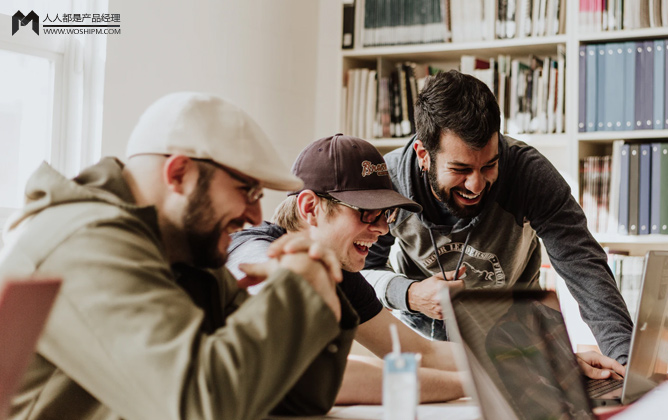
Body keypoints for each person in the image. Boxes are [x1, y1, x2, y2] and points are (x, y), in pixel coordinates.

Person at [0, 92, 357, 420]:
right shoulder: (86, 242)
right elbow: (198, 407)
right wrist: (295, 291)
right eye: (246, 190)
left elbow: (297, 399)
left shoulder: (186, 253)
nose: (254, 214)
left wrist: (318, 288)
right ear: (179, 173)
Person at [361, 70, 634, 370]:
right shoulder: (389, 182)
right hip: (424, 349)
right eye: (461, 169)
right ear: (423, 154)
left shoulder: (529, 174)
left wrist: (626, 364)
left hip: (515, 343)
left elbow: (584, 267)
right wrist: (409, 294)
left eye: (489, 165)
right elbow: (360, 272)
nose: (476, 185)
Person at [226, 133, 465, 404]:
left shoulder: (338, 272)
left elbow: (420, 353)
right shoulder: (252, 253)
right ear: (310, 208)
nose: (383, 229)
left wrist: (507, 363)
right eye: (367, 212)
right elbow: (315, 374)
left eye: (385, 214)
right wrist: (471, 384)